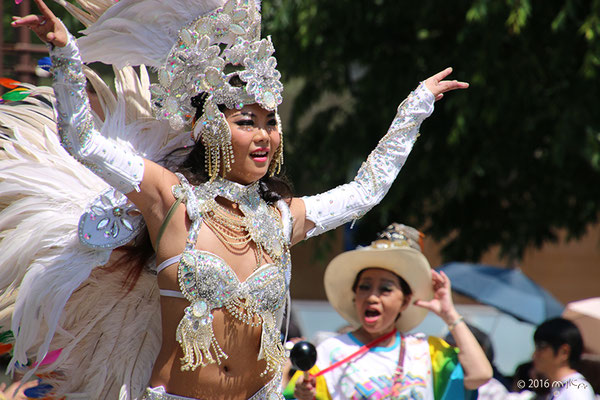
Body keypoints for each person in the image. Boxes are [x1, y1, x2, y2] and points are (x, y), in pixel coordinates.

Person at [4, 0, 468, 398]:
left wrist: (414, 109)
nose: (264, 134)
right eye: (248, 121)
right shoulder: (172, 200)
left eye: (271, 122)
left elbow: (365, 190)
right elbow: (83, 141)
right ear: (209, 128)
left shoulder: (280, 218)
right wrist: (66, 55)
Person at [286, 224, 492, 400]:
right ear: (354, 296)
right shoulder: (329, 352)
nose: (372, 297)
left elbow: (480, 374)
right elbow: (298, 393)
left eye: (385, 289)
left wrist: (450, 314)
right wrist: (303, 393)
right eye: (364, 287)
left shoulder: (428, 351)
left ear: (405, 301)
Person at [531, 318, 595, 400]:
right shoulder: (562, 389)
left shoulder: (575, 390)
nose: (534, 355)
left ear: (564, 352)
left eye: (541, 347)